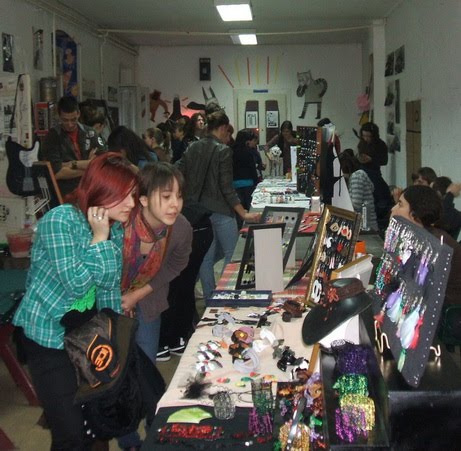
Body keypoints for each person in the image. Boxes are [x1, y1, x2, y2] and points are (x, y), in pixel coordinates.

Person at [12, 153, 138, 450]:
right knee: (70, 434)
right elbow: (76, 285)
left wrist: (115, 337)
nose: (132, 203)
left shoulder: (114, 227)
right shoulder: (60, 221)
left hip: (86, 337)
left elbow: (108, 286)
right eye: (125, 195)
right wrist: (99, 239)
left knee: (96, 424)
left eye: (134, 195)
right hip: (50, 338)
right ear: (101, 191)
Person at [118, 162, 192, 450]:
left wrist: (138, 295)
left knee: (145, 373)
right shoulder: (122, 222)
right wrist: (118, 301)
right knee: (116, 374)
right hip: (110, 307)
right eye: (166, 196)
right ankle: (128, 440)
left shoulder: (180, 228)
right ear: (144, 199)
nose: (175, 204)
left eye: (179, 196)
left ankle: (154, 431)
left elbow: (177, 263)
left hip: (147, 303)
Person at [176, 111, 259, 300]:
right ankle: (226, 294)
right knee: (232, 254)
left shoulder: (192, 147)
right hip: (220, 209)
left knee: (205, 257)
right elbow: (226, 187)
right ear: (222, 128)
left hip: (197, 211)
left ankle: (210, 298)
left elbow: (178, 170)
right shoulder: (223, 151)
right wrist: (243, 213)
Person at [391, 185, 461, 306]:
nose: (393, 209)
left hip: (445, 310)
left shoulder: (435, 245)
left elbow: (416, 291)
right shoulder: (417, 236)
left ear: (415, 213)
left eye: (400, 205)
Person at [40, 96, 105, 196]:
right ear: (59, 116)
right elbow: (57, 172)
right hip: (66, 193)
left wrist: (71, 164)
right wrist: (88, 167)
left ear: (78, 114)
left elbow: (102, 163)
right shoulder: (52, 137)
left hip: (90, 191)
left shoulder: (90, 132)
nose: (70, 124)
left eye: (73, 119)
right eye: (65, 120)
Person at [232, 129, 259, 228]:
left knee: (239, 211)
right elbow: (252, 170)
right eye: (253, 140)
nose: (255, 143)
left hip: (235, 184)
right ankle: (249, 229)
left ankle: (240, 229)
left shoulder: (231, 151)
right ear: (247, 141)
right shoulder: (249, 152)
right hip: (248, 184)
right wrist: (257, 183)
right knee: (250, 209)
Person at [348, 160, 379, 232]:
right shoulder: (360, 175)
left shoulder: (356, 177)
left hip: (364, 227)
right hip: (368, 225)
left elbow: (356, 203)